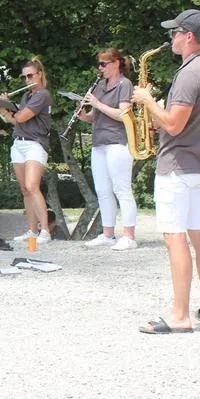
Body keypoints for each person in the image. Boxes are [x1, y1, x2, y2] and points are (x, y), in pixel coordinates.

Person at [132, 9, 200, 333]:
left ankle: (180, 316)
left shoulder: (189, 73)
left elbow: (174, 124)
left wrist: (147, 101)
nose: (171, 37)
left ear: (188, 36)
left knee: (175, 239)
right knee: (198, 234)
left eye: (175, 32)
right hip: (199, 163)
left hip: (178, 165)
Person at [77, 48, 139, 250]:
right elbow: (94, 117)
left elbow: (122, 114)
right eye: (99, 64)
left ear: (116, 63)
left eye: (103, 64)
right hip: (99, 142)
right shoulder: (100, 85)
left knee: (122, 189)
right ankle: (108, 234)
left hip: (118, 142)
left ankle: (129, 237)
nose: (100, 68)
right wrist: (83, 115)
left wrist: (97, 103)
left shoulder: (124, 84)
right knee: (103, 190)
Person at [0, 57, 53, 245]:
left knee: (32, 186)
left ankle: (45, 231)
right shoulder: (27, 96)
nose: (27, 80)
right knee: (25, 189)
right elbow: (14, 121)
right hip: (19, 143)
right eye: (25, 77)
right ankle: (32, 230)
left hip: (35, 144)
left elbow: (21, 117)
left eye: (30, 76)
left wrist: (7, 104)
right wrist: (2, 109)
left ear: (39, 74)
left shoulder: (42, 94)